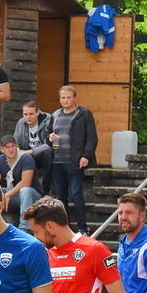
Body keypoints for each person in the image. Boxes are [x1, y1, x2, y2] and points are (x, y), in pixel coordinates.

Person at [47, 86, 98, 234]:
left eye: (68, 97)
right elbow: (47, 135)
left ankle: (83, 227)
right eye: (63, 97)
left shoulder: (84, 114)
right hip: (57, 161)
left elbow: (92, 138)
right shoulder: (55, 115)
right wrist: (49, 138)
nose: (65, 100)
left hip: (75, 160)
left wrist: (86, 155)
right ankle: (64, 227)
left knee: (76, 194)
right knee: (60, 196)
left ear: (75, 98)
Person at [0, 135, 40, 230]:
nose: (11, 149)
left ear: (16, 146)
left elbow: (26, 182)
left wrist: (8, 194)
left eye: (13, 146)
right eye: (7, 147)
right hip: (13, 196)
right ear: (2, 149)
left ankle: (25, 228)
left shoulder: (26, 158)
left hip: (32, 196)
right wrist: (1, 194)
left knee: (25, 190)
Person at [13, 100, 52, 193]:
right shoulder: (21, 123)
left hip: (42, 154)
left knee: (49, 154)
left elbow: (50, 144)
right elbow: (15, 140)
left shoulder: (48, 120)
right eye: (25, 114)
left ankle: (45, 190)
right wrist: (17, 149)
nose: (28, 117)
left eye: (31, 114)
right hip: (27, 154)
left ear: (38, 112)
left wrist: (32, 151)